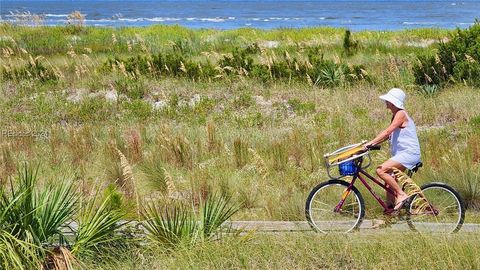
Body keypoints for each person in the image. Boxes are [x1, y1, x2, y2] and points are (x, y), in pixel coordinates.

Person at [365, 88, 421, 211]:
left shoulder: (401, 114)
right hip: (403, 154)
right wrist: (370, 145)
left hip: (409, 154)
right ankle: (390, 211)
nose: (386, 102)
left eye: (388, 100)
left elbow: (387, 131)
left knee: (381, 170)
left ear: (393, 102)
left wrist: (371, 143)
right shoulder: (396, 115)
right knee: (389, 178)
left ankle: (401, 195)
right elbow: (389, 136)